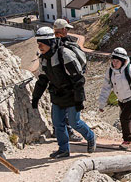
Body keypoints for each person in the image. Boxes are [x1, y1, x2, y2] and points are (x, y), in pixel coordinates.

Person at [31, 27, 96, 158]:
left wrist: (79, 100)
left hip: (72, 95)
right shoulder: (44, 59)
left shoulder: (64, 54)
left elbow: (78, 79)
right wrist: (36, 97)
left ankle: (90, 136)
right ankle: (63, 149)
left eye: (41, 44)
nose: (39, 47)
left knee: (74, 122)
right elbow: (42, 80)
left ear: (49, 42)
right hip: (57, 95)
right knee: (58, 123)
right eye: (38, 44)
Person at [53, 18, 85, 141]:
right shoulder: (63, 43)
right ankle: (68, 132)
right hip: (67, 81)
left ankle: (58, 130)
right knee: (67, 107)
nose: (67, 31)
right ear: (63, 29)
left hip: (56, 81)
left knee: (58, 106)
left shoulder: (51, 42)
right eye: (66, 28)